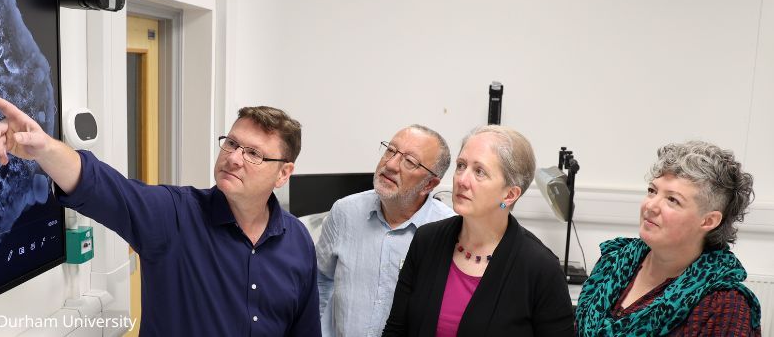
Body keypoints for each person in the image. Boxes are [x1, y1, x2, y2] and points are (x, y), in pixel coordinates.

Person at [0, 89, 321, 336]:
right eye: (231, 143)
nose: (233, 157)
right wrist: (45, 148)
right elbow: (103, 188)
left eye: (253, 154)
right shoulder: (174, 216)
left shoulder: (298, 242)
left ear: (283, 174)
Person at [383, 125, 574, 337]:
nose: (462, 180)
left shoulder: (541, 268)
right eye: (461, 165)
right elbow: (396, 330)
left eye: (479, 172)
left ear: (510, 194)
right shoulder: (426, 240)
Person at [575, 141, 762, 336]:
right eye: (652, 191)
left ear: (708, 221)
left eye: (672, 200)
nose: (651, 206)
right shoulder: (613, 262)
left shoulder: (723, 306)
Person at [316, 125, 456, 337]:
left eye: (409, 161)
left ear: (429, 184)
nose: (390, 164)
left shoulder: (448, 230)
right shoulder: (344, 212)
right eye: (390, 150)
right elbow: (320, 278)